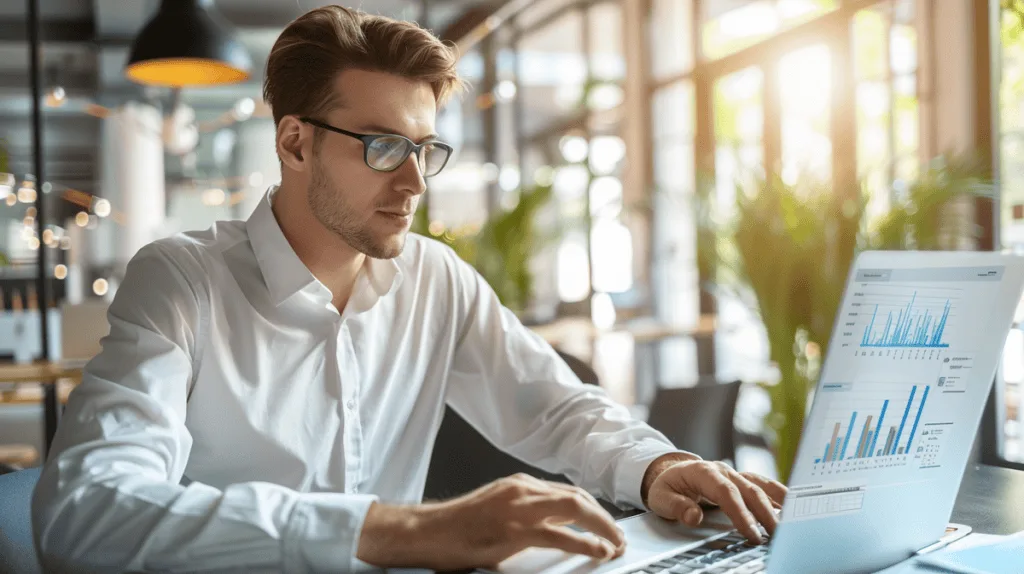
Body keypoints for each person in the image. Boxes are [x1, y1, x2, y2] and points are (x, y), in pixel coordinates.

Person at [32, 5, 786, 572]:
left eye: (426, 149)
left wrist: (653, 466)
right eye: (385, 146)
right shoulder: (182, 281)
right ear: (296, 142)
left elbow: (554, 409)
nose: (416, 181)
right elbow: (83, 511)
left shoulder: (434, 277)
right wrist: (405, 531)